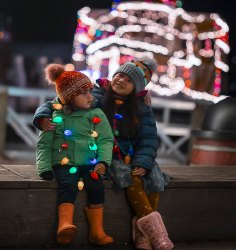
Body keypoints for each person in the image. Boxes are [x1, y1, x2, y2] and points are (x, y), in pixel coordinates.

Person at [33, 58, 174, 250]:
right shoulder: (97, 95)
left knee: (154, 177)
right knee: (129, 178)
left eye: (129, 80)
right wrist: (41, 117)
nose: (122, 80)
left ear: (137, 88)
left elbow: (149, 138)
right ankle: (154, 232)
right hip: (109, 155)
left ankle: (144, 232)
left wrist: (143, 160)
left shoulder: (142, 107)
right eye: (120, 75)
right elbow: (57, 102)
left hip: (132, 155)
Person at [36, 64, 114, 246]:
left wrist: (103, 160)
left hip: (89, 162)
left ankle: (96, 231)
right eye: (83, 93)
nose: (89, 96)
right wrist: (45, 167)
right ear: (69, 98)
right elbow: (44, 144)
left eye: (90, 91)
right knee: (68, 185)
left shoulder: (96, 114)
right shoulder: (55, 116)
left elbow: (106, 139)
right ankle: (64, 224)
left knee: (96, 187)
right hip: (64, 163)